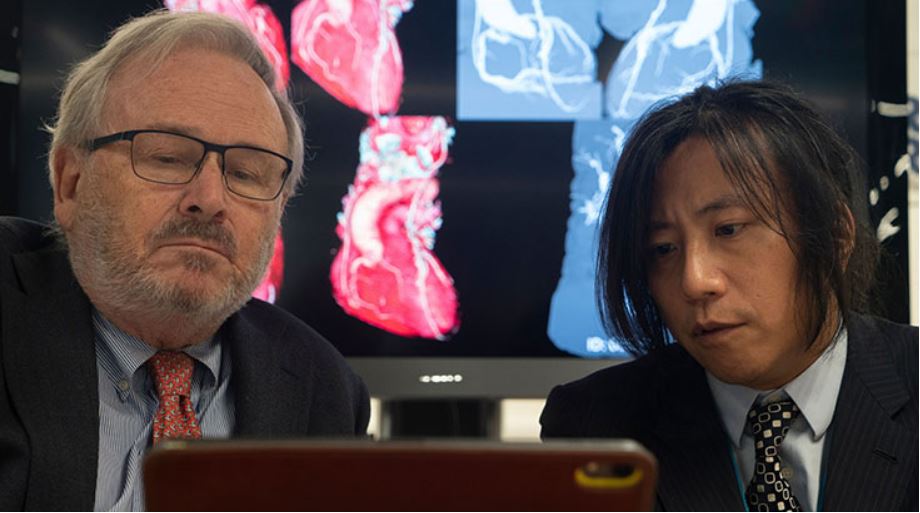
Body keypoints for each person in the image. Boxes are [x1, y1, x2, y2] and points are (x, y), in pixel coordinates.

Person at [0, 10, 369, 511]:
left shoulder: (323, 389)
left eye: (246, 173)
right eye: (167, 158)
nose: (210, 199)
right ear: (70, 182)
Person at [540, 80, 917, 511]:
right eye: (663, 249)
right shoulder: (595, 424)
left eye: (728, 230)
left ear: (835, 236)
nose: (694, 281)